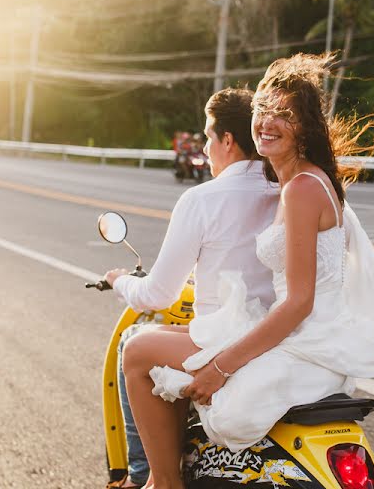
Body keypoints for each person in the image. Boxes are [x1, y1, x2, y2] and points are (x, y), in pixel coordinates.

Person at [122, 53, 374, 489]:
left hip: (302, 343)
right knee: (182, 339)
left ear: (306, 127)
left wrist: (221, 367)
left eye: (284, 114)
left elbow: (299, 302)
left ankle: (163, 482)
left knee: (138, 352)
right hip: (305, 335)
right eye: (262, 109)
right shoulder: (296, 182)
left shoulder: (299, 188)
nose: (267, 121)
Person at [102, 88, 278, 488]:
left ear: (228, 140)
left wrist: (119, 281)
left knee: (135, 348)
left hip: (229, 339)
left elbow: (158, 296)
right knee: (150, 336)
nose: (205, 146)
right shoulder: (285, 189)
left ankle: (157, 478)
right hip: (277, 335)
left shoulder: (202, 199)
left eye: (207, 137)